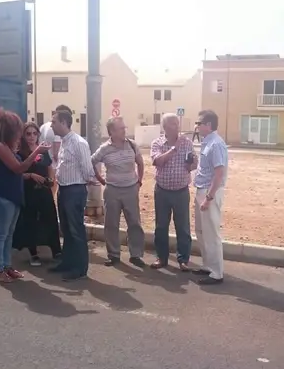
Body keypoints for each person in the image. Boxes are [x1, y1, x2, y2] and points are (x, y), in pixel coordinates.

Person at [0, 108, 50, 283]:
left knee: (9, 233)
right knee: (1, 234)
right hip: (2, 195)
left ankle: (7, 266)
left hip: (12, 195)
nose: (19, 134)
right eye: (17, 130)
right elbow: (18, 168)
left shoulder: (7, 147)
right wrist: (37, 152)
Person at [91, 117, 147, 268]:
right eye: (121, 128)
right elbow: (92, 162)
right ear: (112, 132)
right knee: (111, 223)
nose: (124, 130)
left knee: (134, 223)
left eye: (124, 127)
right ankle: (114, 255)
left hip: (130, 189)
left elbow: (140, 163)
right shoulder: (104, 148)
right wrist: (101, 179)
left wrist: (139, 182)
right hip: (112, 190)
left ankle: (136, 255)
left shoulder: (132, 145)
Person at [50, 109, 97, 281]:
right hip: (64, 189)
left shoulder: (79, 142)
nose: (51, 125)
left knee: (76, 229)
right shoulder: (64, 141)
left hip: (75, 190)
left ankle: (80, 268)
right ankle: (67, 262)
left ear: (64, 122)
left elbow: (88, 170)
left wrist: (83, 182)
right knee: (66, 229)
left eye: (54, 122)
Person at [149, 113, 196, 270]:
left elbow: (191, 166)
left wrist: (193, 163)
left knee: (182, 226)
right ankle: (161, 258)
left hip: (181, 191)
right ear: (165, 127)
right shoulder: (157, 143)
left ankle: (183, 259)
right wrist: (175, 148)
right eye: (172, 124)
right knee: (161, 226)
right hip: (162, 191)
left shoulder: (187, 143)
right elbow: (158, 161)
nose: (177, 126)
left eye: (177, 123)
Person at [12, 122, 62, 266]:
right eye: (28, 134)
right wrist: (31, 175)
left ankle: (56, 250)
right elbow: (17, 173)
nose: (32, 137)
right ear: (23, 135)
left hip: (44, 190)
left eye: (35, 133)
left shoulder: (43, 150)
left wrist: (51, 179)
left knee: (51, 218)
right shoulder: (20, 153)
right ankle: (33, 254)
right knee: (30, 221)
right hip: (29, 191)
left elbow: (49, 166)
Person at [191, 110, 228, 285]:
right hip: (201, 190)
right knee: (201, 231)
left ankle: (216, 272)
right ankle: (208, 266)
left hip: (209, 192)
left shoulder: (216, 144)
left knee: (211, 233)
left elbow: (219, 174)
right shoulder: (206, 142)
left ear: (208, 125)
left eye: (199, 123)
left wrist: (209, 197)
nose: (197, 126)